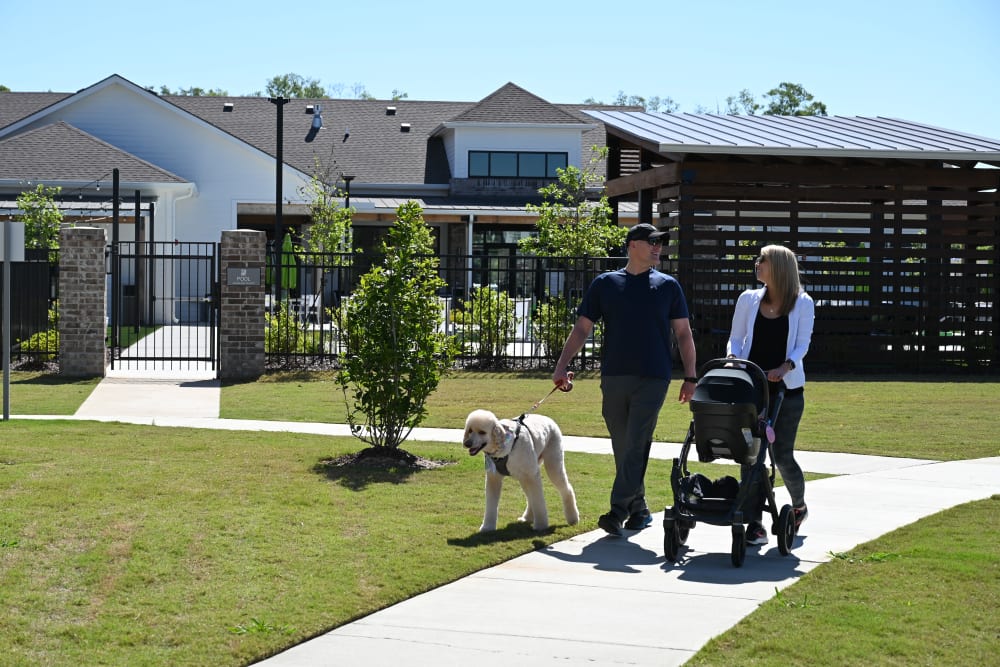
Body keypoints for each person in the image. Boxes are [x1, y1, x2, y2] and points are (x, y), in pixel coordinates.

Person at [552, 223, 698, 537]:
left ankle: (617, 510)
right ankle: (640, 508)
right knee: (624, 446)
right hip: (614, 376)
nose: (659, 247)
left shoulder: (669, 286)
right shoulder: (606, 284)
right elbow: (581, 329)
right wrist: (562, 365)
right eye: (653, 242)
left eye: (661, 242)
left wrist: (691, 377)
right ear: (632, 245)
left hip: (653, 377)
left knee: (636, 441)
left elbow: (684, 334)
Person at [727, 244, 815, 545]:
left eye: (761, 260)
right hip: (753, 389)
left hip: (786, 391)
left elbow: (802, 345)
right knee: (751, 456)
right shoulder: (748, 300)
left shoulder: (803, 303)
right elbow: (736, 339)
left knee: (782, 454)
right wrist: (735, 362)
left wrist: (786, 366)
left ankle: (799, 507)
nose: (756, 264)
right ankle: (754, 522)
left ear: (777, 266)